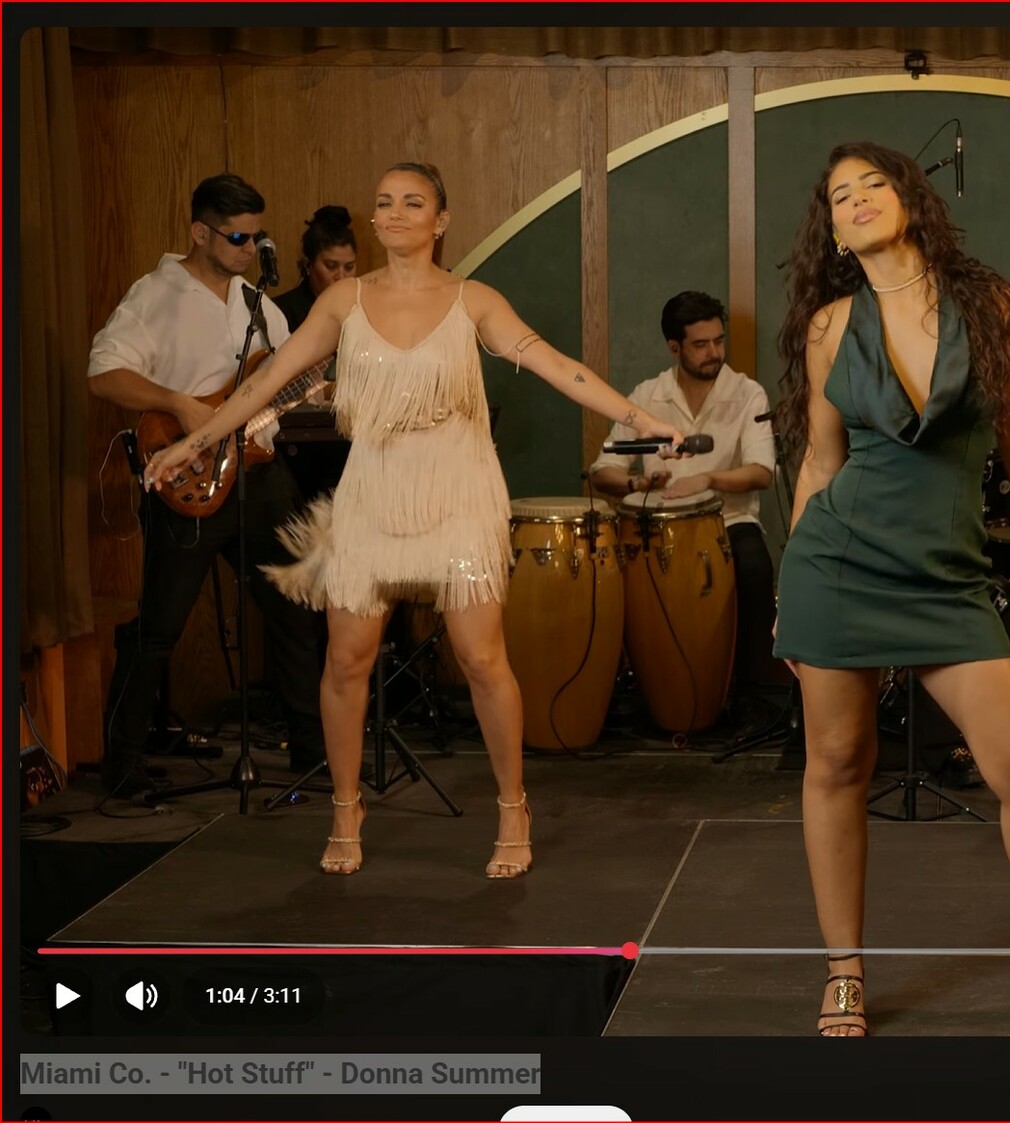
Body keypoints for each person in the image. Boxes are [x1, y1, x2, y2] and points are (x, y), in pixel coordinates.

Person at [142, 161, 686, 878]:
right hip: (373, 489)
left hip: (458, 487)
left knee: (481, 658)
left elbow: (556, 365)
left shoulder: (473, 300)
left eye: (412, 202)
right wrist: (196, 442)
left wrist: (641, 419)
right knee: (347, 659)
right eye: (385, 202)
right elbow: (267, 382)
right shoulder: (343, 300)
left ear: (440, 220)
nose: (395, 213)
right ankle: (345, 809)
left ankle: (513, 806)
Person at [772, 141, 1010, 1037]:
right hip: (837, 565)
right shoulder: (830, 327)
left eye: (873, 183)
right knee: (838, 764)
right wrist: (787, 595)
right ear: (833, 233)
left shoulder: (990, 307)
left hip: (946, 578)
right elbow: (819, 464)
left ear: (910, 198)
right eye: (839, 196)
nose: (857, 200)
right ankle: (844, 970)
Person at [88, 173, 326, 796]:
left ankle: (313, 749)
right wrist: (181, 405)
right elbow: (104, 373)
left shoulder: (258, 305)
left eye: (257, 237)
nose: (250, 248)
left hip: (259, 474)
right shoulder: (155, 294)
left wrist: (322, 387)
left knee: (297, 607)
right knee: (159, 626)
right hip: (185, 477)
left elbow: (287, 380)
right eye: (237, 237)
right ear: (200, 232)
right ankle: (123, 762)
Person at [588, 290, 777, 692]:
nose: (715, 352)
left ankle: (756, 694)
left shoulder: (748, 394)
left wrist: (709, 479)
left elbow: (762, 472)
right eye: (701, 344)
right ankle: (645, 688)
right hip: (657, 530)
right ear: (674, 348)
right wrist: (636, 483)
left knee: (755, 568)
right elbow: (602, 472)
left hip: (729, 522)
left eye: (719, 341)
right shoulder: (646, 397)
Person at [273, 205, 359, 332]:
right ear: (308, 264)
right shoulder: (279, 312)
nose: (341, 276)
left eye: (349, 267)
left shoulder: (363, 309)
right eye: (331, 266)